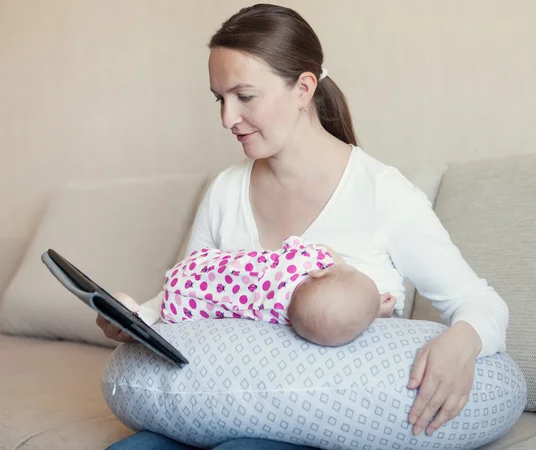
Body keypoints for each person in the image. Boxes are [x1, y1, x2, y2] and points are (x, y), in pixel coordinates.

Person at [99, 4, 510, 449]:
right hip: (221, 405)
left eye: (244, 96)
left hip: (321, 419)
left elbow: (479, 302)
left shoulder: (381, 193)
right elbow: (192, 297)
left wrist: (462, 342)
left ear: (303, 88)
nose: (226, 118)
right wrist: (138, 318)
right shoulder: (224, 190)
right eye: (220, 98)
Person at [132, 235, 397, 347]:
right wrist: (371, 310)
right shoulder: (280, 316)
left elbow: (324, 252)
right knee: (162, 306)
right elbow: (336, 313)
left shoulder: (305, 263)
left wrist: (341, 270)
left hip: (201, 266)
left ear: (320, 272)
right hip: (187, 302)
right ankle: (144, 311)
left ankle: (140, 310)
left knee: (161, 299)